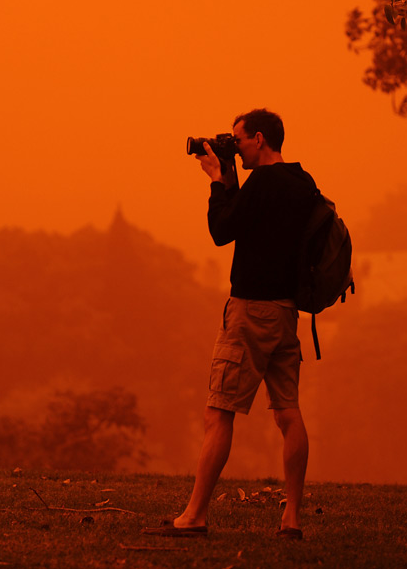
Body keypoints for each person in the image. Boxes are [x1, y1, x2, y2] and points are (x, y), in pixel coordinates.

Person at [143, 108, 317, 541]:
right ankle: (291, 519)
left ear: (259, 139)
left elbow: (222, 230)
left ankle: (194, 516)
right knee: (288, 414)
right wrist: (230, 179)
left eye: (237, 140)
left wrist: (217, 181)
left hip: (250, 312)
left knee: (218, 412)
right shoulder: (303, 183)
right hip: (286, 312)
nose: (233, 147)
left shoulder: (260, 184)